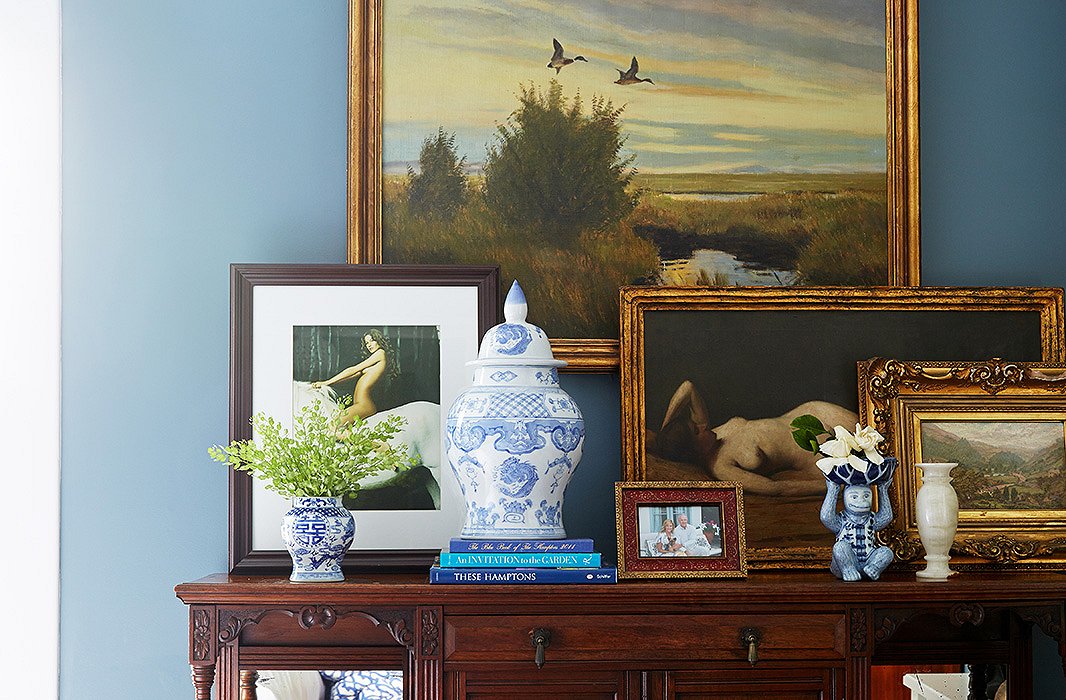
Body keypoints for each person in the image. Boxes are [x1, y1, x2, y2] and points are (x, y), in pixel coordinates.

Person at [649, 380, 858, 497]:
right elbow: (774, 488)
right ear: (693, 450)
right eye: (696, 430)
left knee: (882, 430)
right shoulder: (721, 467)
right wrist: (832, 486)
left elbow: (687, 387)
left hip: (813, 413)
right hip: (816, 454)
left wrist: (665, 430)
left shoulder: (713, 433)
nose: (702, 425)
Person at [311, 329, 398, 424]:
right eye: (366, 343)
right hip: (359, 404)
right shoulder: (374, 362)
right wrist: (329, 384)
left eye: (372, 340)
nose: (369, 345)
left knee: (333, 427)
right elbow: (352, 374)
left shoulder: (380, 353)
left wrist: (325, 382)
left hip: (364, 405)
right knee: (334, 426)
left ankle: (370, 440)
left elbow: (354, 369)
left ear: (379, 340)